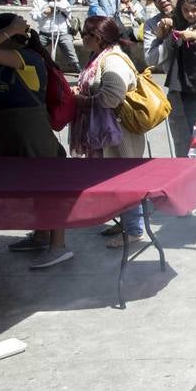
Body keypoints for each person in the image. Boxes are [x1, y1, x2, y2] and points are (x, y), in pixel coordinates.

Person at [0, 14, 72, 268]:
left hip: (30, 131)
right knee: (32, 188)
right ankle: (40, 235)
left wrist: (11, 29)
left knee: (49, 188)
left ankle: (58, 246)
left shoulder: (25, 57)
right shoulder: (6, 63)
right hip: (11, 130)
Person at [70, 15, 150, 247]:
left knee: (125, 180)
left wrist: (81, 99)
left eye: (85, 34)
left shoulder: (113, 61)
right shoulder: (100, 57)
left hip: (118, 133)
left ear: (97, 37)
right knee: (114, 179)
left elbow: (110, 98)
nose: (82, 38)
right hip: (107, 131)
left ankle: (134, 229)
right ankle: (125, 222)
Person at [146, 0, 196, 208]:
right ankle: (192, 192)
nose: (163, 0)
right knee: (185, 142)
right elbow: (151, 58)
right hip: (180, 88)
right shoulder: (158, 24)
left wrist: (194, 35)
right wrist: (163, 36)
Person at [29, 0, 78, 73]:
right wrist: (44, 13)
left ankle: (76, 67)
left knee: (68, 46)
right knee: (35, 48)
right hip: (45, 32)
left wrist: (57, 1)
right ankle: (36, 66)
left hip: (62, 32)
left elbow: (67, 9)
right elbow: (34, 16)